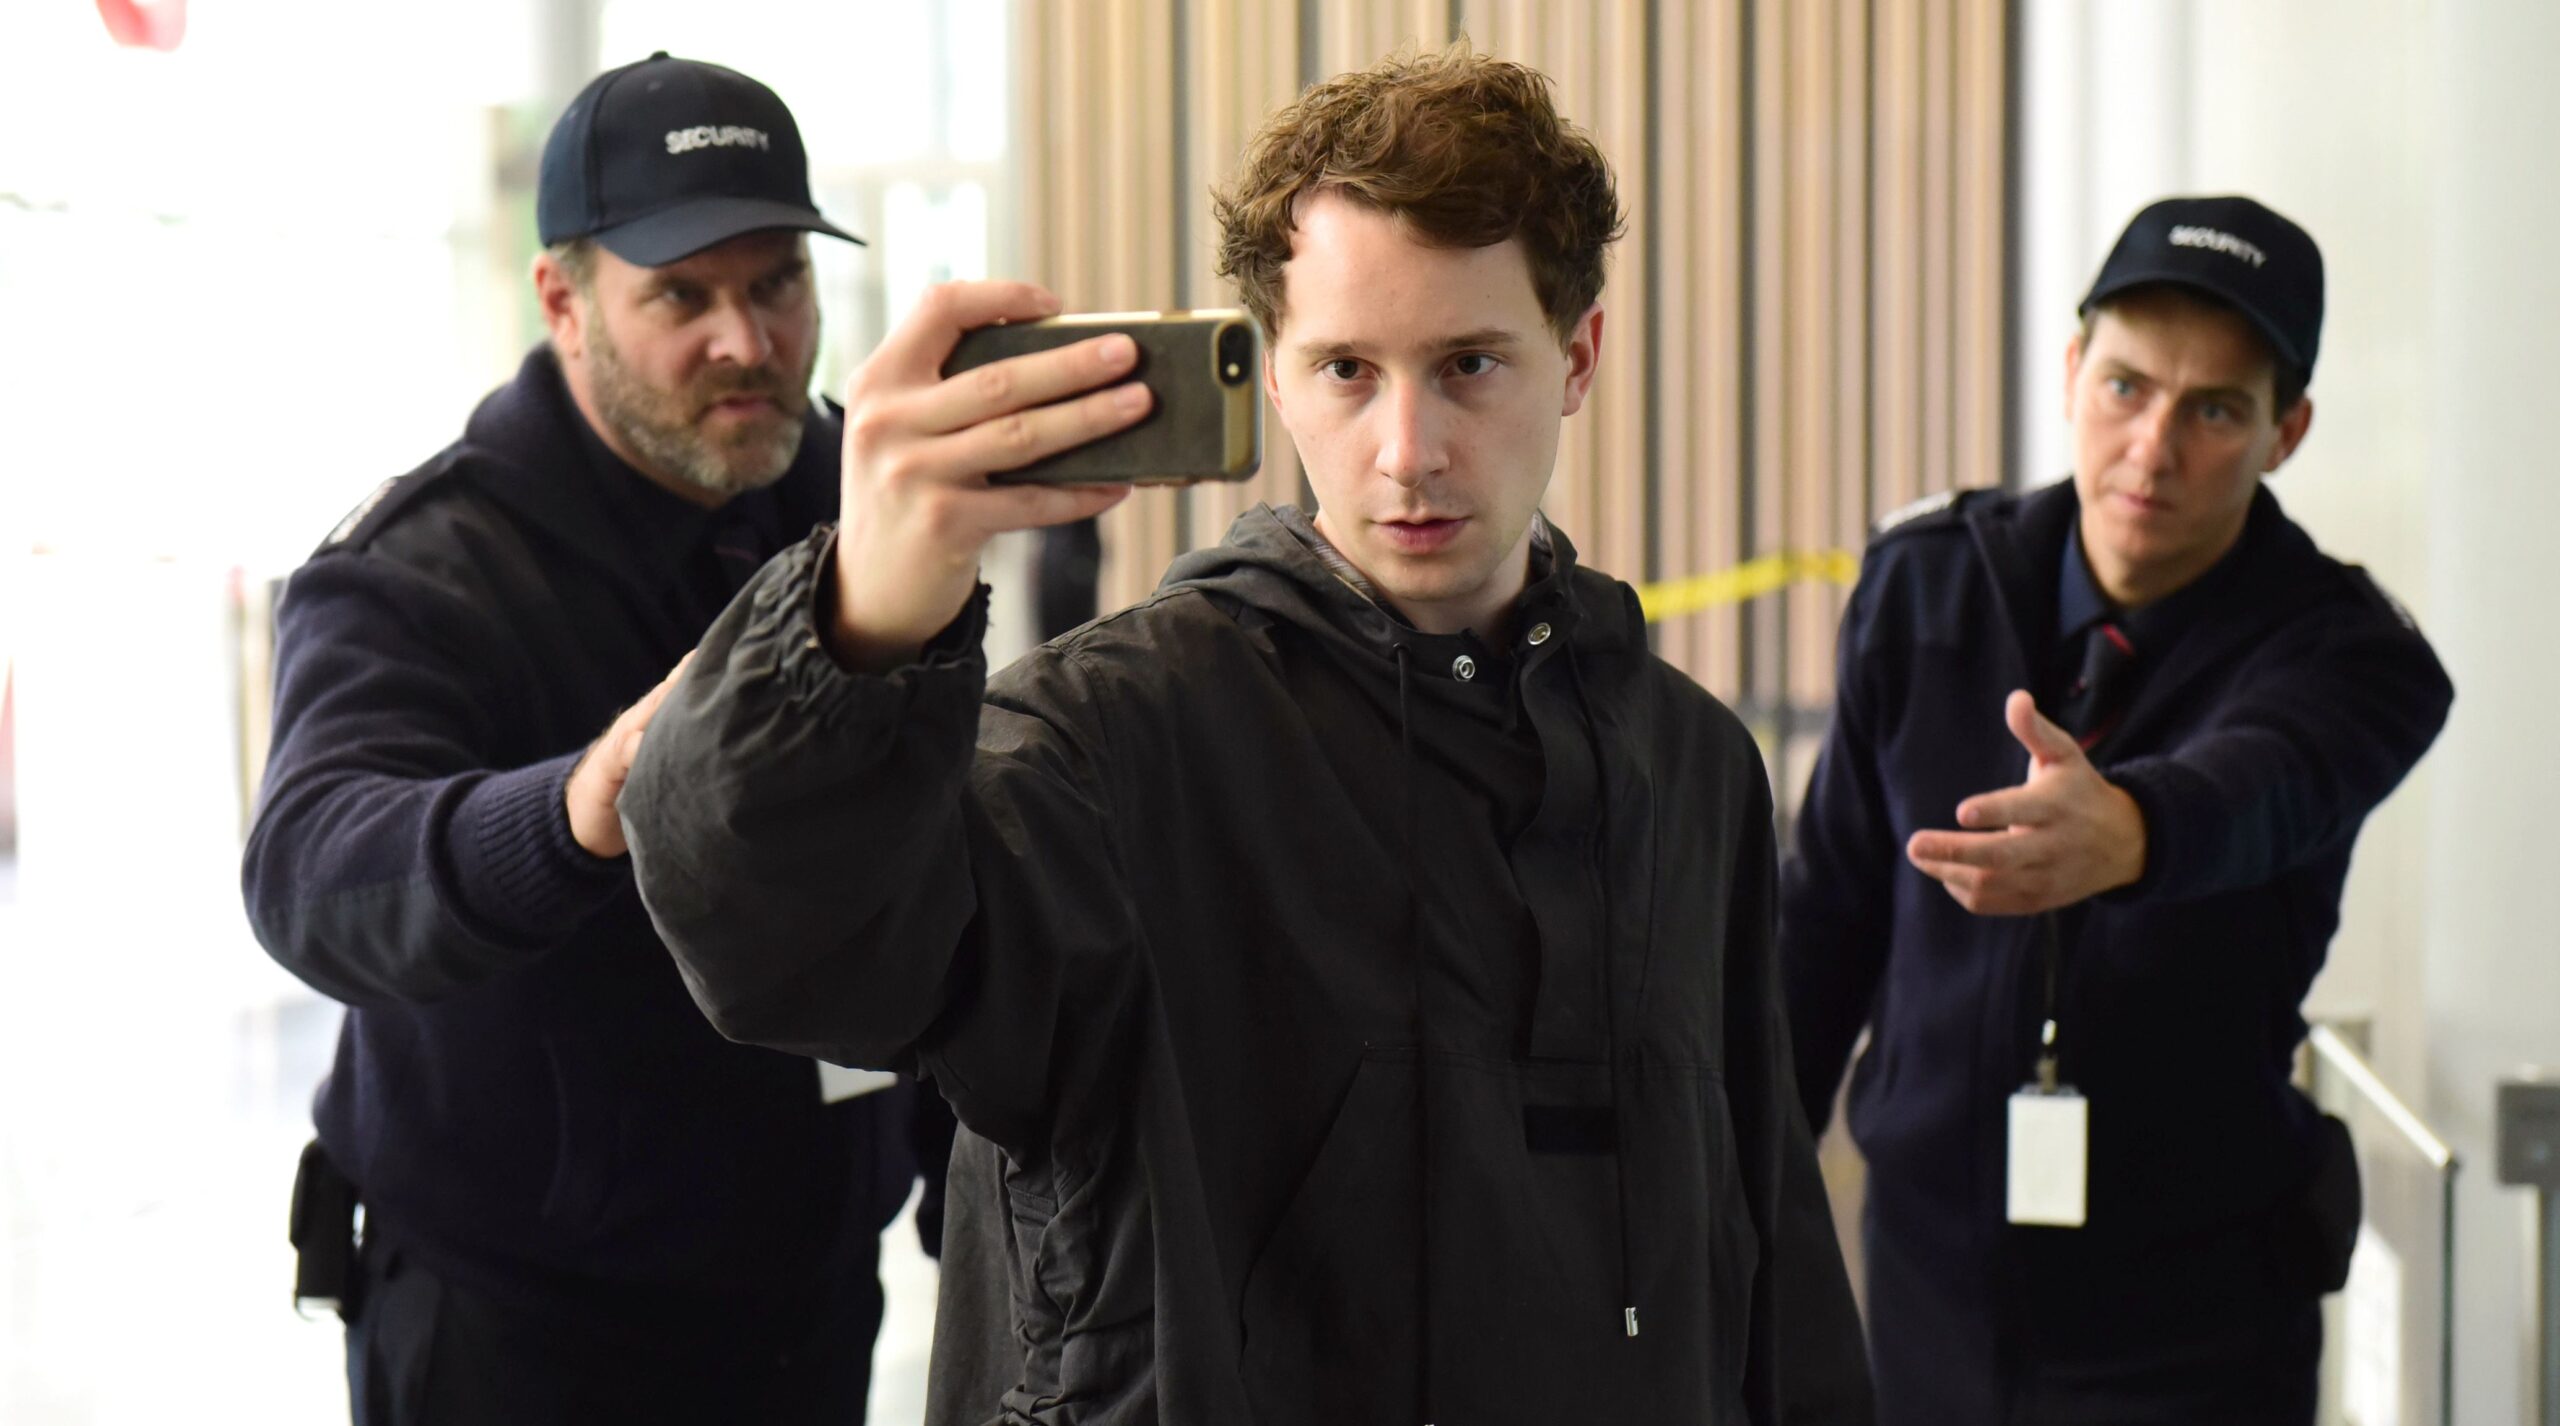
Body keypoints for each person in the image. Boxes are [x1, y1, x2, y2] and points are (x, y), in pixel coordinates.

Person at [622, 43, 1871, 1426]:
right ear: (1274, 377)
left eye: (1468, 364)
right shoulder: (1107, 746)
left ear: (1573, 357)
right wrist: (859, 622)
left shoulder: (1686, 765)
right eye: (1347, 369)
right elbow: (782, 951)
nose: (1407, 448)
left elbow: (1772, 1258)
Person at [242, 53, 940, 1425]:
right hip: (524, 1330)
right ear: (563, 302)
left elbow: (915, 855)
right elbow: (312, 874)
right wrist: (581, 806)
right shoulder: (425, 569)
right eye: (681, 296)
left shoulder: (860, 504)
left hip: (807, 1289)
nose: (746, 340)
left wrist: (966, 1164)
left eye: (777, 283)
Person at [1781, 195, 2455, 1425]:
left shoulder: (2348, 651)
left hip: (2194, 1321)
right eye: (2126, 387)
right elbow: (1824, 922)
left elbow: (2267, 779)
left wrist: (2134, 829)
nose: (2152, 448)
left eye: (2214, 411)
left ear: (2285, 432)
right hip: (1924, 1285)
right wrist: (1741, 1214)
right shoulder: (1926, 581)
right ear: (2070, 372)